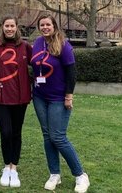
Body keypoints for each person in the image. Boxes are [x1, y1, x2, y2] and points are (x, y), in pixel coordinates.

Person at [30, 12, 90, 193]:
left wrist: (69, 96)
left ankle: (80, 175)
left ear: (54, 26)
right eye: (42, 25)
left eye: (48, 24)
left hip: (58, 98)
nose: (45, 27)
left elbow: (71, 73)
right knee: (47, 135)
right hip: (39, 96)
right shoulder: (38, 43)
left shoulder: (63, 45)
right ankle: (54, 173)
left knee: (58, 136)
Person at [0, 15, 32, 188]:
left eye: (12, 26)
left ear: (17, 27)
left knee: (16, 133)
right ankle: (6, 166)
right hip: (1, 98)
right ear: (2, 27)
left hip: (20, 99)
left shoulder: (25, 46)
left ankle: (14, 168)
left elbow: (39, 63)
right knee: (5, 133)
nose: (9, 29)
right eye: (6, 26)